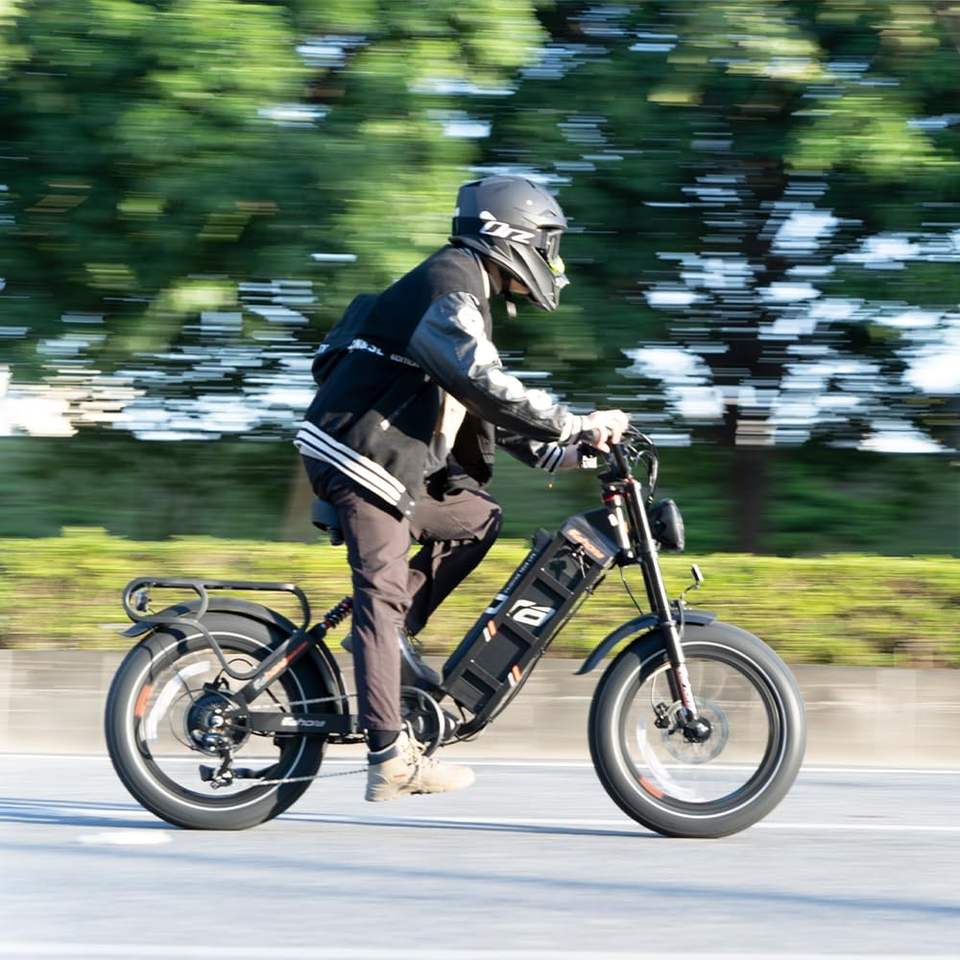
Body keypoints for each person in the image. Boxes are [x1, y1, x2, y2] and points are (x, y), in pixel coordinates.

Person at [294, 176, 629, 801]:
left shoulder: (461, 291)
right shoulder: (451, 281)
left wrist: (568, 449)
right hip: (362, 457)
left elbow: (477, 402)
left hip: (387, 462)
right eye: (548, 245)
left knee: (475, 517)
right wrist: (574, 421)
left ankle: (390, 639)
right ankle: (389, 757)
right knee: (380, 595)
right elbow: (480, 381)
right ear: (511, 235)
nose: (553, 261)